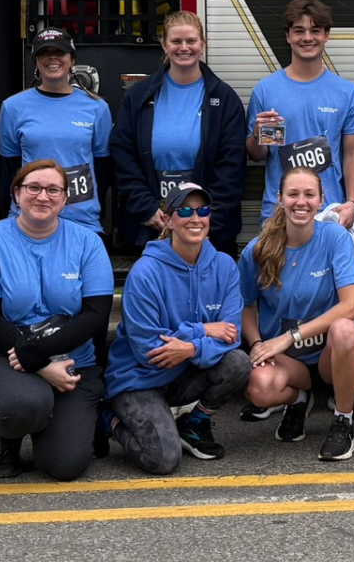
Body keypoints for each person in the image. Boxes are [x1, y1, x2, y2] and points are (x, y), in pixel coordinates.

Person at [0, 159, 116, 480]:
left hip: (73, 361)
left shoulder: (88, 242)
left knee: (65, 466)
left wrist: (41, 352)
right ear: (17, 193)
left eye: (53, 190)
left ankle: (56, 423)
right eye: (33, 187)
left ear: (65, 198)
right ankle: (10, 436)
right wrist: (39, 364)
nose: (42, 196)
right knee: (25, 404)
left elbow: (96, 315)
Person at [104, 182, 254, 473]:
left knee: (238, 363)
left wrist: (190, 347)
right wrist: (203, 331)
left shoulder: (224, 266)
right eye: (184, 210)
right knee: (163, 459)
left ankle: (194, 424)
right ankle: (108, 419)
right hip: (139, 379)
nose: (195, 218)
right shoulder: (145, 272)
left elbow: (232, 335)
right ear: (168, 219)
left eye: (203, 210)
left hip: (183, 370)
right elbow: (150, 348)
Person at [239, 167, 354, 461]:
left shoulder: (334, 237)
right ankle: (298, 400)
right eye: (293, 194)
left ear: (321, 200)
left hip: (327, 356)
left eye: (309, 194)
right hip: (285, 358)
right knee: (258, 388)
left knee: (347, 330)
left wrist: (289, 336)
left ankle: (342, 421)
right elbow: (244, 305)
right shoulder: (257, 249)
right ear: (280, 199)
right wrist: (257, 343)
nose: (301, 202)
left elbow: (351, 306)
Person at [110, 10, 248, 254]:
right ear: (164, 45)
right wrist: (147, 209)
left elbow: (231, 169)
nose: (184, 48)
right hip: (151, 228)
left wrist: (201, 220)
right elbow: (123, 156)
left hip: (209, 235)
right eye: (176, 41)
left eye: (191, 41)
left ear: (202, 45)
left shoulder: (224, 100)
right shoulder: (139, 97)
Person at [245, 0, 354, 230]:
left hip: (330, 212)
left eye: (315, 31)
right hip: (278, 213)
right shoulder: (267, 91)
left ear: (326, 36)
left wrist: (352, 202)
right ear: (288, 36)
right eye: (299, 31)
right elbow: (257, 155)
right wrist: (257, 136)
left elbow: (352, 154)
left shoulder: (346, 92)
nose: (307, 38)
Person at [0, 27, 115, 237]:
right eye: (44, 52)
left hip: (82, 221)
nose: (52, 58)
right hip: (29, 220)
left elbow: (103, 168)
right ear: (36, 61)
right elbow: (9, 170)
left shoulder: (97, 108)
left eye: (59, 52)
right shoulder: (13, 107)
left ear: (72, 60)